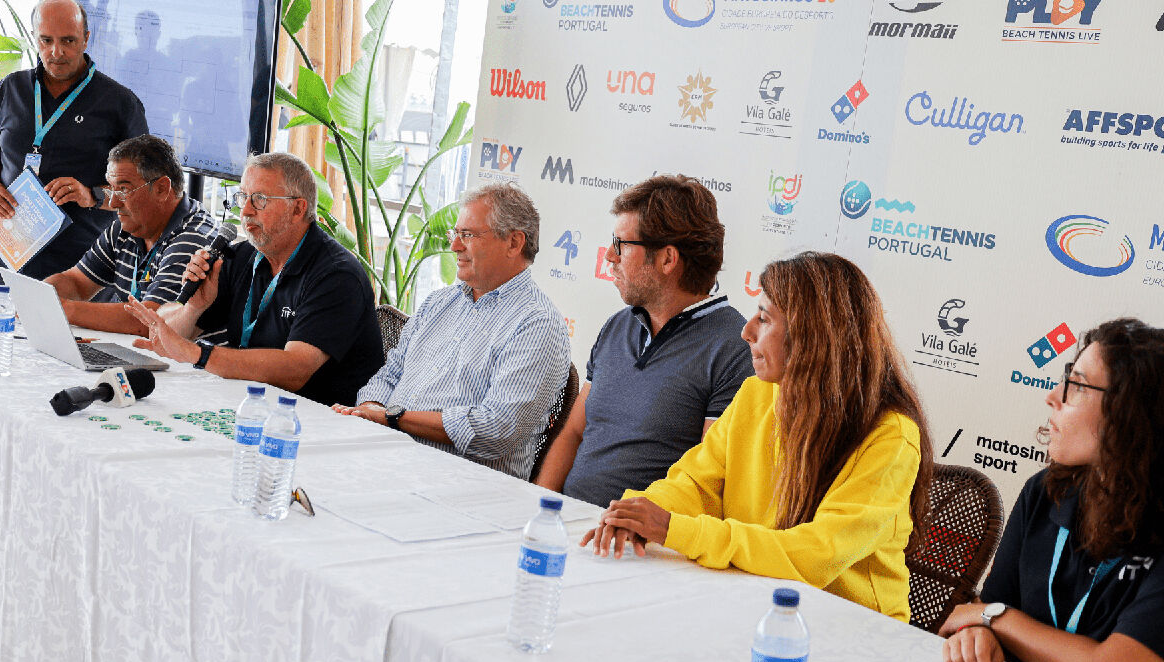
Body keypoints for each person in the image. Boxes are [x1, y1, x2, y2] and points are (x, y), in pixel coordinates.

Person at [582, 251, 933, 621]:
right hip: (755, 596)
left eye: (764, 318)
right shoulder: (756, 392)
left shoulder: (892, 436)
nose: (746, 331)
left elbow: (817, 555)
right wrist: (641, 513)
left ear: (813, 337)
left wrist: (675, 529)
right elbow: (694, 484)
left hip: (851, 626)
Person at [938, 318, 1164, 662]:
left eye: (1079, 386)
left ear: (1133, 414)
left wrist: (1000, 622)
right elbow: (981, 611)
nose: (1053, 396)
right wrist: (977, 635)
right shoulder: (1044, 491)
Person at [534, 174, 752, 507]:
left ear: (667, 259)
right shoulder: (618, 325)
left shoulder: (734, 347)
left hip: (634, 534)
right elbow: (574, 433)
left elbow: (707, 483)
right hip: (566, 519)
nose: (609, 256)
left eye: (621, 244)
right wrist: (538, 504)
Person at [332, 182, 570, 479]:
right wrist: (370, 410)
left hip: (459, 484)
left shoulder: (537, 323)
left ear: (513, 243)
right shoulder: (439, 302)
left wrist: (393, 418)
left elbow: (496, 430)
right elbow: (390, 375)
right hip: (387, 458)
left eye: (468, 235)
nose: (455, 246)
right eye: (455, 234)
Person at [124, 152, 383, 406]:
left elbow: (295, 370)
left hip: (321, 418)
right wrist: (194, 307)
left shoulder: (337, 275)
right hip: (253, 402)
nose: (246, 210)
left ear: (298, 208)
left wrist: (198, 354)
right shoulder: (243, 256)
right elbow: (170, 336)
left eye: (259, 199)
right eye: (243, 197)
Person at [0, 0, 148, 291]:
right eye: (46, 40)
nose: (56, 52)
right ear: (35, 38)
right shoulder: (11, 88)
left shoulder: (120, 103)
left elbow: (142, 191)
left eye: (68, 41)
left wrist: (92, 195)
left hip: (81, 271)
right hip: (5, 258)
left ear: (86, 38)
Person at [43, 134, 223, 335]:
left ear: (161, 189)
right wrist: (40, 296)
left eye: (123, 190)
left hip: (183, 355)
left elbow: (151, 322)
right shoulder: (128, 226)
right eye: (112, 190)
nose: (113, 203)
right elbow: (76, 282)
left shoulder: (193, 240)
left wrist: (64, 309)